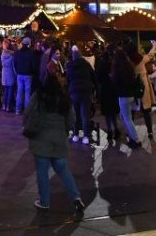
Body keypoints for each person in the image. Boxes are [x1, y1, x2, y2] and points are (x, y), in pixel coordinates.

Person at [25, 64, 87, 214]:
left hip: (41, 139)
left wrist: (29, 128)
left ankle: (44, 201)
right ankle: (76, 198)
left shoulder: (39, 96)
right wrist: (66, 131)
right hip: (59, 139)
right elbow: (71, 119)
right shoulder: (64, 98)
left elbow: (29, 113)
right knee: (63, 170)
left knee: (42, 172)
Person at [111, 41, 142, 148]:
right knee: (126, 118)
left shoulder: (117, 68)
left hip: (123, 96)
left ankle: (136, 140)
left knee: (127, 119)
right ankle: (133, 138)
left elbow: (116, 83)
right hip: (131, 95)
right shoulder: (129, 66)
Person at [65, 46, 95, 144]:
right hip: (86, 92)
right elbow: (93, 76)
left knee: (76, 115)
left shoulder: (70, 65)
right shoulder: (86, 64)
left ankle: (75, 135)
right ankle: (86, 136)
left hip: (74, 92)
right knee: (85, 115)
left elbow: (68, 80)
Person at [131, 39, 156, 140]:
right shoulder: (141, 59)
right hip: (143, 88)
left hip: (132, 88)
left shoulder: (128, 60)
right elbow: (150, 55)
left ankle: (131, 131)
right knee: (146, 111)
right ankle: (150, 131)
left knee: (132, 112)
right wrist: (154, 45)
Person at [95, 44, 121, 143]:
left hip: (105, 91)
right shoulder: (114, 64)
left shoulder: (101, 64)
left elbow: (98, 78)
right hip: (113, 90)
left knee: (107, 113)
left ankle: (109, 130)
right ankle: (116, 129)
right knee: (113, 112)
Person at [13, 37, 37, 113]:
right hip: (28, 74)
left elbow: (15, 63)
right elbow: (33, 65)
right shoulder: (31, 53)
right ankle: (27, 111)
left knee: (19, 92)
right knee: (27, 93)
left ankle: (17, 110)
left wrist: (17, 71)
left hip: (19, 74)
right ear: (29, 44)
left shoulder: (18, 52)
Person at [0, 40, 17, 113]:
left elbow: (2, 64)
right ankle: (8, 106)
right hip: (10, 73)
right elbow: (13, 66)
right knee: (10, 91)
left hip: (4, 73)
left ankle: (4, 105)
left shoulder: (2, 55)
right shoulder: (12, 55)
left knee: (5, 91)